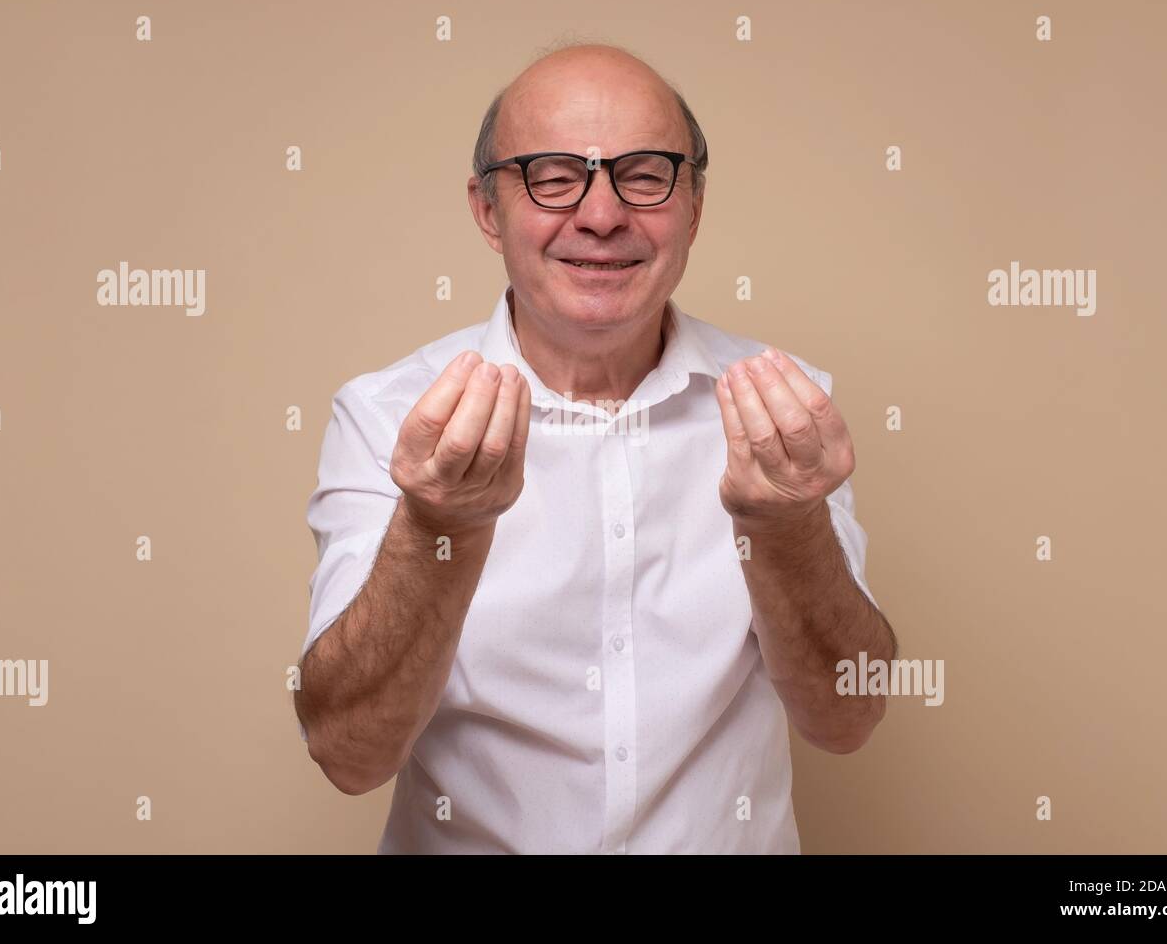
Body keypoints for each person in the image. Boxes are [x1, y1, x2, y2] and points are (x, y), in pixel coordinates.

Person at [294, 42, 897, 854]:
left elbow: (847, 718)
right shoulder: (387, 416)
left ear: (693, 204)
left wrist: (786, 525)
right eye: (552, 174)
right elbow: (347, 752)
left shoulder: (782, 412)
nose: (603, 215)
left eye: (644, 174)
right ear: (486, 209)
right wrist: (440, 526)